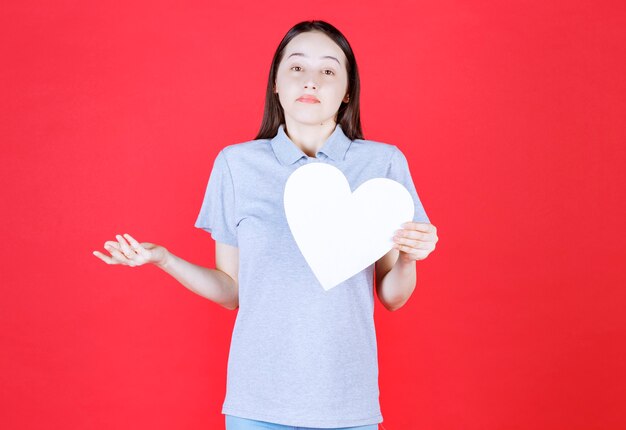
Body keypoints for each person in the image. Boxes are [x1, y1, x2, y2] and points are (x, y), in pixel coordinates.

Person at [93, 20, 438, 430]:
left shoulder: (382, 165)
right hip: (256, 403)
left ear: (347, 91)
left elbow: (392, 297)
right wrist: (164, 259)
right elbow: (231, 291)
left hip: (348, 401)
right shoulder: (236, 166)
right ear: (276, 83)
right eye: (296, 68)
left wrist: (408, 260)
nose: (311, 81)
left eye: (328, 70)